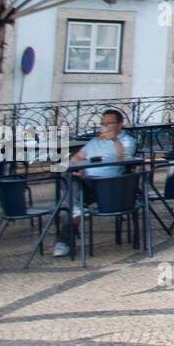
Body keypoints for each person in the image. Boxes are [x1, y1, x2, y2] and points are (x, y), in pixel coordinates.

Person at [53, 108, 137, 257]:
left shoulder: (126, 140)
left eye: (109, 123)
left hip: (107, 185)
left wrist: (114, 139)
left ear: (119, 125)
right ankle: (77, 212)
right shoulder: (95, 141)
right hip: (86, 182)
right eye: (102, 123)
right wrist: (76, 168)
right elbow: (76, 157)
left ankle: (65, 240)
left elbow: (124, 159)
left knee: (70, 199)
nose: (104, 126)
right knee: (69, 183)